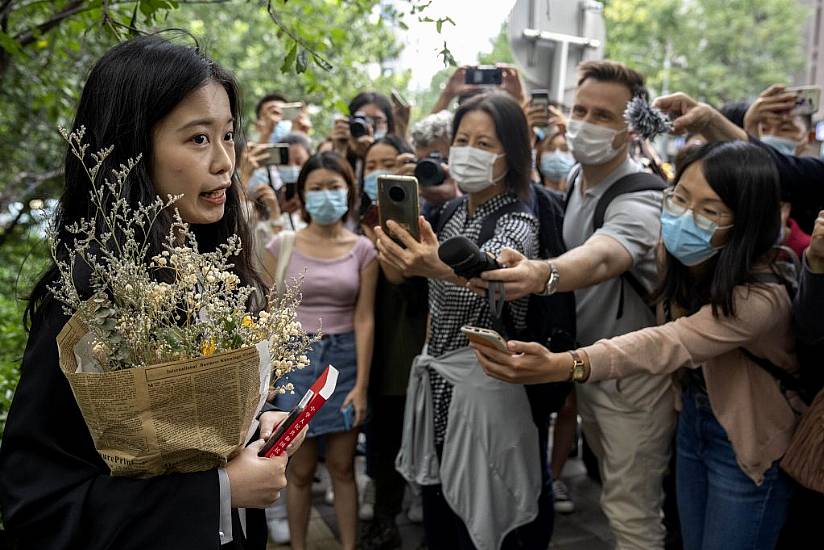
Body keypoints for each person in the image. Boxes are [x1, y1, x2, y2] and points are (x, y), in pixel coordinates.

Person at [0, 34, 303, 550]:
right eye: (198, 139)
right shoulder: (87, 299)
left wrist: (255, 429)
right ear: (131, 151)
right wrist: (220, 492)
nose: (225, 162)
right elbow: (37, 504)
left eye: (228, 135)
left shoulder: (218, 269)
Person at [474, 141, 801, 550]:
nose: (685, 217)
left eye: (710, 210)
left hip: (748, 441)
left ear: (747, 222)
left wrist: (565, 365)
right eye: (680, 198)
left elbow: (667, 342)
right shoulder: (682, 257)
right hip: (695, 422)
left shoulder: (761, 297)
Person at [476, 60, 674, 550]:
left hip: (634, 382)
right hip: (591, 369)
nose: (585, 122)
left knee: (632, 514)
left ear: (633, 128)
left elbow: (604, 255)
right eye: (580, 109)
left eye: (602, 115)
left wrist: (542, 274)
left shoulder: (641, 197)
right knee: (613, 495)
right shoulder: (581, 185)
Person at [375, 91, 551, 550]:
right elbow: (413, 279)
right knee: (443, 505)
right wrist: (398, 254)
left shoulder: (517, 219)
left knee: (487, 506)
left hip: (487, 386)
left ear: (512, 155)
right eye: (463, 138)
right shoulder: (451, 211)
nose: (469, 150)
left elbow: (501, 274)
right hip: (440, 379)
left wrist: (433, 264)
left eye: (485, 143)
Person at [267, 151, 378, 550]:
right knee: (298, 469)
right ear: (302, 194)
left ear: (349, 191)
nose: (326, 195)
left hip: (344, 362)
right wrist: (271, 380)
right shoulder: (281, 244)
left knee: (343, 468)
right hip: (294, 364)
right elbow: (268, 316)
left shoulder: (364, 249)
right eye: (316, 188)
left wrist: (361, 385)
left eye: (334, 187)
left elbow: (365, 318)